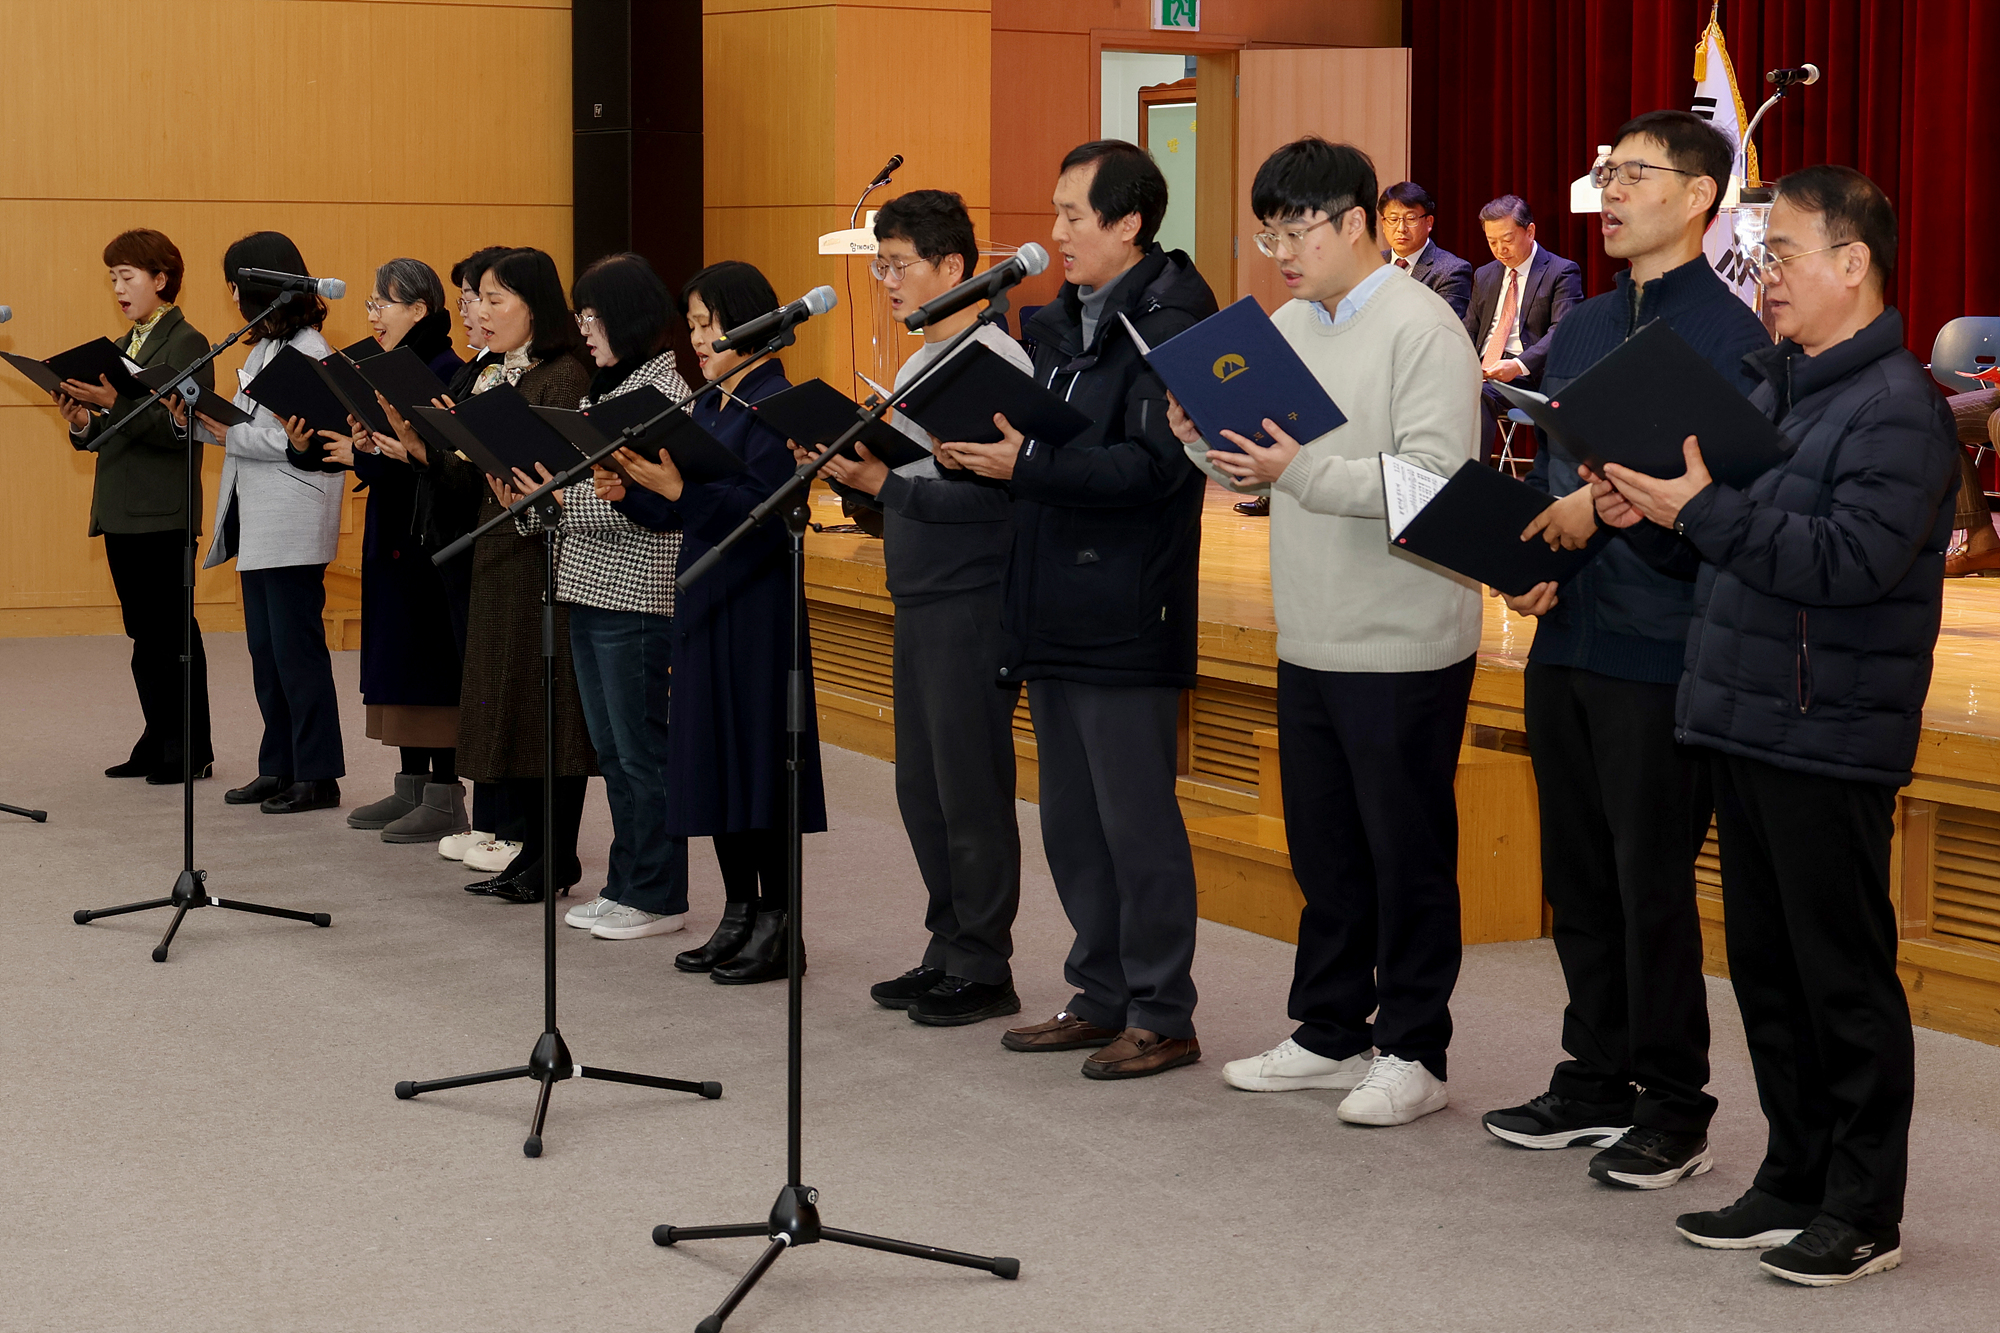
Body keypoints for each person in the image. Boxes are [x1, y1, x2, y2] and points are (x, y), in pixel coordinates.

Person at [1591, 164, 1951, 1286]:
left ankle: (1862, 1206)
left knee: (1838, 978)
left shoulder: (1897, 407)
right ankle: (1792, 1173)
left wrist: (1699, 508)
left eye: (1783, 252)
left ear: (1851, 264)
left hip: (1828, 728)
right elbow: (1731, 540)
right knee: (1766, 970)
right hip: (1741, 714)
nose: (1766, 276)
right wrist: (1651, 512)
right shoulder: (1779, 385)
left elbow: (1842, 565)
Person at [1479, 112, 1773, 1188]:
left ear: (1698, 196)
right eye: (1605, 173)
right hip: (1569, 630)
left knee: (1649, 879)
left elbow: (1731, 502)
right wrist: (1538, 545)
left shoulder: (1731, 334)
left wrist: (1603, 518)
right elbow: (1563, 468)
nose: (1607, 190)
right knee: (1577, 872)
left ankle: (1671, 1103)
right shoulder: (1590, 321)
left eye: (1633, 175)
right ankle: (1591, 1075)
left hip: (1662, 643)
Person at [1171, 137, 1482, 1123]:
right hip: (1306, 628)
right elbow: (1265, 479)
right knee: (1326, 851)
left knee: (1405, 852)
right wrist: (1206, 449)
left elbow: (1434, 484)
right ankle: (1328, 1029)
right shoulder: (1289, 323)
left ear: (1354, 219)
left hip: (1401, 634)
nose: (1277, 250)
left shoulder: (1421, 327)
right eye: (1266, 230)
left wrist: (1294, 470)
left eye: (1292, 228)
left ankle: (1414, 1050)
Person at [940, 140, 1217, 1079]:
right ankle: (1099, 992)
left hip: (1129, 602)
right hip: (1048, 592)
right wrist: (1000, 453)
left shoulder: (1178, 323)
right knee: (1069, 817)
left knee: (1135, 817)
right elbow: (1048, 447)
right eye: (1054, 214)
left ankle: (1162, 1008)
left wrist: (1025, 465)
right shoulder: (1055, 324)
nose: (1052, 234)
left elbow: (1153, 471)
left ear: (1129, 221)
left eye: (1072, 216)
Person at [799, 189, 1030, 1026]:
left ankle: (984, 960)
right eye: (881, 264)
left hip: (972, 599)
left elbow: (1000, 505)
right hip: (920, 592)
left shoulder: (994, 363)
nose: (886, 280)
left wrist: (886, 481)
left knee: (969, 786)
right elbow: (915, 490)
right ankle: (948, 943)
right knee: (921, 786)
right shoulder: (916, 363)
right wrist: (855, 480)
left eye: (899, 265)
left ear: (955, 268)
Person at [596, 260, 829, 984]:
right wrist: (632, 493)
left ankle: (779, 921)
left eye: (709, 323)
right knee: (716, 758)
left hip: (758, 604)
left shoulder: (776, 401)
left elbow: (763, 517)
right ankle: (736, 911)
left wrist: (676, 489)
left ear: (753, 321)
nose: (698, 337)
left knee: (761, 763)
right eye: (692, 323)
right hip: (704, 593)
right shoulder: (711, 403)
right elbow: (683, 510)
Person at [491, 253, 695, 942]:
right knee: (612, 750)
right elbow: (586, 489)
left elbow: (628, 504)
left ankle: (657, 892)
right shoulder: (610, 389)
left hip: (635, 591)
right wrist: (529, 502)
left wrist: (548, 500)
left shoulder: (660, 394)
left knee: (640, 751)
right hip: (585, 584)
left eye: (593, 315)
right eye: (580, 316)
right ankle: (625, 882)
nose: (584, 328)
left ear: (630, 317)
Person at [428, 247, 597, 901]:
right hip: (500, 552)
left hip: (546, 560)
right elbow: (470, 473)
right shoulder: (494, 373)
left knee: (546, 708)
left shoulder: (564, 377)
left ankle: (558, 855)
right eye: (481, 300)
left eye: (498, 300)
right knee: (510, 706)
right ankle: (530, 848)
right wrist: (422, 442)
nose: (484, 312)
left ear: (537, 308)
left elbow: (561, 474)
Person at [190, 232, 346, 814]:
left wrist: (224, 431)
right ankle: (278, 766)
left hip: (294, 516)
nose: (231, 296)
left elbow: (293, 440)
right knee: (266, 654)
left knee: (296, 654)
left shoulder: (311, 349)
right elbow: (250, 430)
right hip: (259, 519)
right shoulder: (261, 349)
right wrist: (200, 420)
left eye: (234, 284)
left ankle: (319, 773)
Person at [56, 229, 216, 784]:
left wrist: (116, 400)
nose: (119, 289)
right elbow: (116, 426)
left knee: (170, 633)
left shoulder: (187, 342)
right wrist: (84, 422)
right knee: (144, 635)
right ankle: (157, 736)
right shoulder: (128, 344)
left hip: (161, 511)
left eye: (127, 277)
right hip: (123, 509)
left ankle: (189, 745)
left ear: (160, 279)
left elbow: (184, 428)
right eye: (113, 279)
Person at [319, 258, 470, 844]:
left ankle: (444, 795)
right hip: (394, 531)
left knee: (431, 660)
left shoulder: (443, 371)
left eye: (385, 302)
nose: (374, 314)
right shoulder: (387, 369)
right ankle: (409, 785)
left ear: (420, 310)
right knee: (397, 657)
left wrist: (378, 453)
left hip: (432, 539)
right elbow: (396, 461)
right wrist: (365, 449)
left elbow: (442, 468)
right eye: (371, 304)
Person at [1463, 195, 1583, 462]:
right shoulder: (1485, 274)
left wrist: (1517, 365)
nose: (1499, 250)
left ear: (1530, 231)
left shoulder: (1561, 272)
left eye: (1507, 240)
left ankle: (1469, 482)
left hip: (1530, 375)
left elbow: (1562, 332)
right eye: (1492, 242)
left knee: (1477, 395)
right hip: (1485, 370)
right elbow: (1469, 330)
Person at [1379, 180, 1474, 317]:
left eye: (1411, 219)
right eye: (1393, 219)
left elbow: (1442, 326)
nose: (1401, 229)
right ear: (1383, 223)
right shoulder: (1372, 266)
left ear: (1429, 223)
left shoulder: (1451, 271)